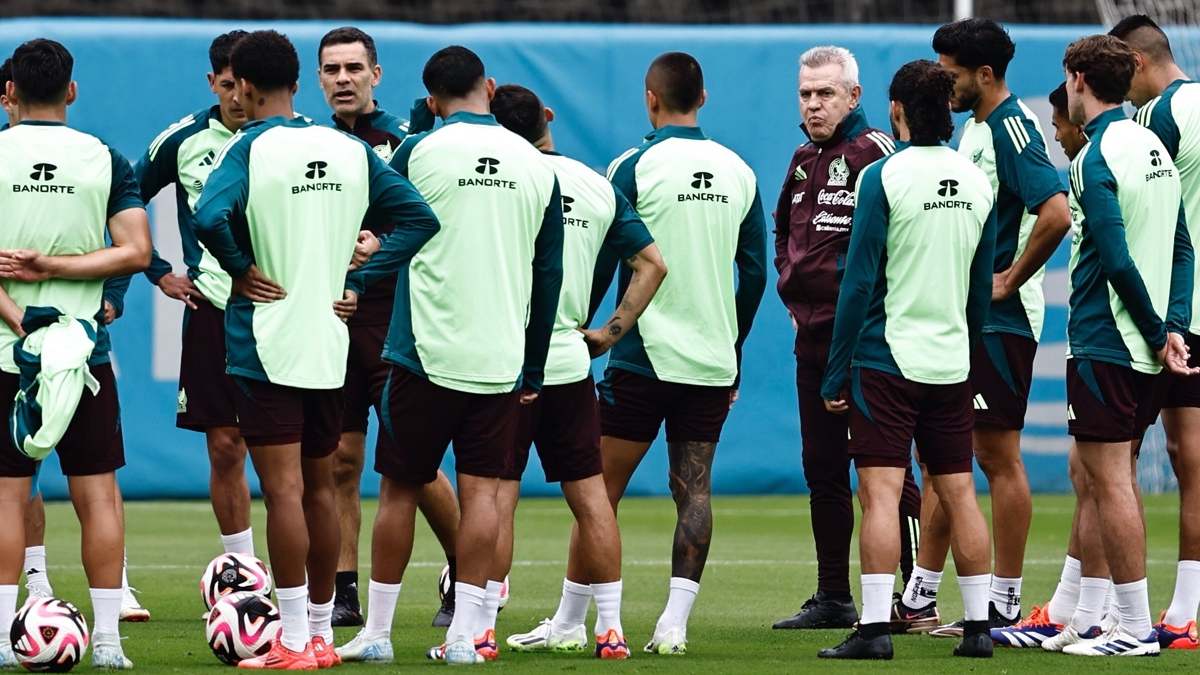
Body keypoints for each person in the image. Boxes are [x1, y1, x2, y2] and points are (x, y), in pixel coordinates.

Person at [192, 30, 440, 670]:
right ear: (299, 83)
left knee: (282, 493)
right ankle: (323, 636)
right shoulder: (348, 149)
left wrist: (241, 270)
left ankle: (295, 638)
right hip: (331, 342)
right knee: (322, 491)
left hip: (269, 341)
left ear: (241, 89)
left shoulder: (247, 148)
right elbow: (418, 219)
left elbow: (206, 218)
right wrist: (360, 279)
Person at [335, 45, 562, 666]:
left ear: (431, 101)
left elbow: (373, 224)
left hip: (421, 351)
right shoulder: (540, 165)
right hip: (498, 359)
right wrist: (533, 368)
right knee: (483, 495)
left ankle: (378, 632)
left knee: (400, 491)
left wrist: (366, 259)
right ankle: (464, 636)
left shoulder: (417, 149)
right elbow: (550, 279)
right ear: (489, 87)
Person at [585, 51, 767, 656]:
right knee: (695, 490)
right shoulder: (739, 170)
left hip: (641, 354)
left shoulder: (633, 166)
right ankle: (674, 625)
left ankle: (573, 620)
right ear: (705, 98)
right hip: (711, 360)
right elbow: (754, 275)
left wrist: (592, 327)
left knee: (598, 489)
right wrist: (731, 344)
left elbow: (608, 256)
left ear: (650, 98)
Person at [816, 58, 997, 661]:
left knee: (881, 493)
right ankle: (977, 629)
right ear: (948, 111)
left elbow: (859, 283)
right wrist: (968, 354)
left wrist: (836, 369)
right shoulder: (977, 180)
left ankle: (873, 631)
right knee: (962, 494)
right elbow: (979, 290)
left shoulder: (883, 177)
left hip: (886, 360)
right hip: (951, 362)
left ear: (895, 111)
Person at [906, 18, 1072, 638]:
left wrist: (1011, 279)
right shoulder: (975, 127)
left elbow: (1053, 213)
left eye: (950, 74)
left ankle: (1004, 602)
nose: (942, 84)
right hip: (968, 321)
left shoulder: (1012, 128)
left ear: (984, 74)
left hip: (1001, 325)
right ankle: (920, 597)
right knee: (944, 455)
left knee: (996, 457)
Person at [490, 83, 666, 660]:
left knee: (497, 498)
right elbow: (652, 264)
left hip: (507, 361)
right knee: (592, 498)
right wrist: (608, 333)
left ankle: (480, 630)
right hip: (569, 358)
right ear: (548, 117)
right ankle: (611, 631)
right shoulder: (596, 185)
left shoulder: (500, 183)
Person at [0, 38, 152, 669]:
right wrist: (58, 268)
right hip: (84, 356)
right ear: (71, 91)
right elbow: (137, 252)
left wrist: (21, 318)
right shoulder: (104, 159)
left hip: (11, 356)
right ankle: (110, 644)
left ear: (8, 94)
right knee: (97, 498)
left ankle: (0, 645)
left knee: (7, 497)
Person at [769, 44, 923, 632]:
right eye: (806, 94)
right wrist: (791, 291)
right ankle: (833, 594)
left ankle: (912, 596)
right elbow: (783, 230)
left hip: (865, 343)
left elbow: (899, 242)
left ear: (853, 96)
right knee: (822, 469)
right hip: (811, 341)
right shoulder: (802, 159)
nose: (814, 104)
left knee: (885, 473)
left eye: (825, 93)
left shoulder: (876, 153)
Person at [1051, 34, 1195, 657]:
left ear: (1079, 79)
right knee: (1107, 477)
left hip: (1107, 340)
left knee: (1109, 481)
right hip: (1149, 343)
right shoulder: (1154, 145)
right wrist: (1173, 325)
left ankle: (1133, 627)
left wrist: (1148, 325)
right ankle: (1096, 619)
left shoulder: (1095, 155)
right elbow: (1184, 246)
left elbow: (1113, 256)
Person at [315, 25, 460, 629]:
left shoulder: (409, 140)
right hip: (329, 314)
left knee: (412, 461)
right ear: (318, 80)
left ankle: (470, 572)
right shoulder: (307, 143)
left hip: (396, 317)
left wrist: (379, 249)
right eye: (331, 69)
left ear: (376, 75)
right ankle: (344, 589)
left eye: (354, 68)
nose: (343, 79)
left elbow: (436, 222)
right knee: (340, 458)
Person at [134, 29, 260, 564]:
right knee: (226, 446)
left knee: (299, 452)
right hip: (213, 309)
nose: (237, 97)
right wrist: (158, 270)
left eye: (246, 85)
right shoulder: (182, 140)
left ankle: (313, 588)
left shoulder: (290, 140)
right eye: (227, 84)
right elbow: (125, 198)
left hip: (285, 312)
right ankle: (243, 570)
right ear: (212, 82)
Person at [1112, 13, 1200, 650]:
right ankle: (1184, 609)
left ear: (1137, 64)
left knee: (1119, 461)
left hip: (1176, 313)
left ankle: (1146, 610)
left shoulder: (1153, 122)